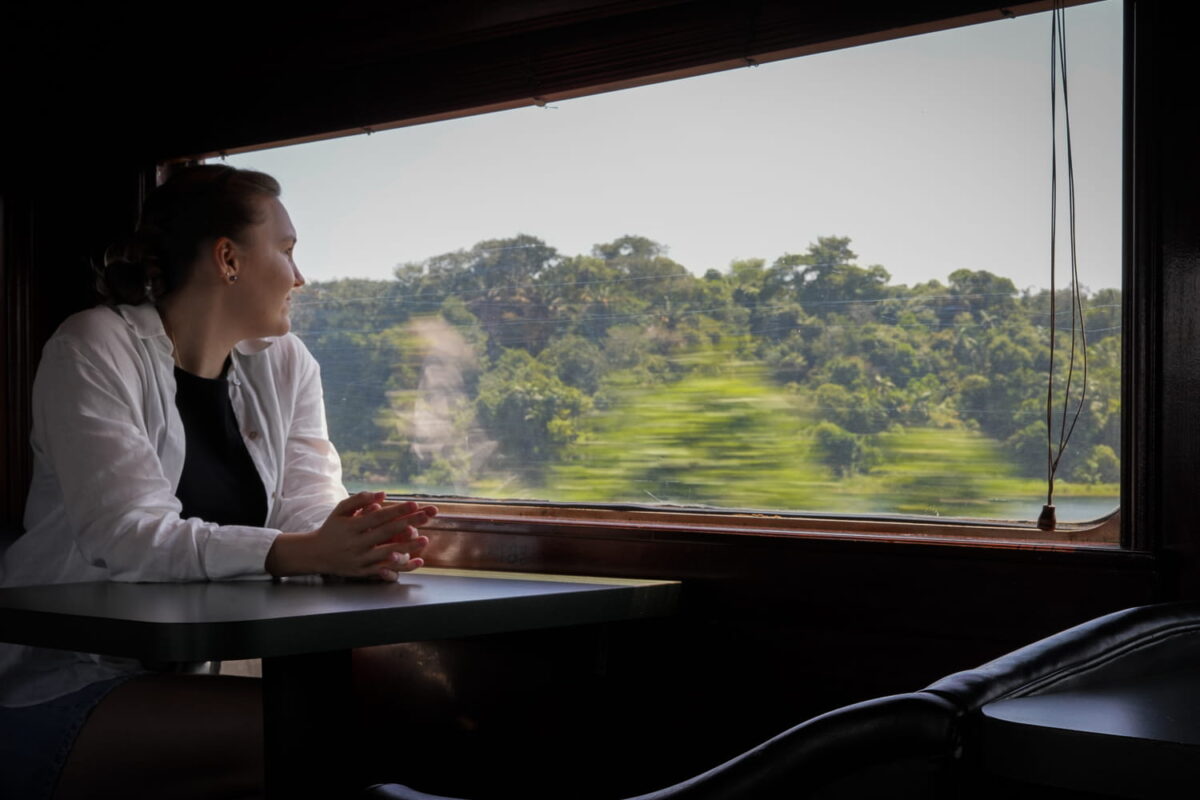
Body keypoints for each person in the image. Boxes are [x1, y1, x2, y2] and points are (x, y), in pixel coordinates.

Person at [0, 164, 437, 799]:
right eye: (287, 251)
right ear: (228, 259)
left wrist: (360, 538)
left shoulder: (286, 362)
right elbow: (127, 534)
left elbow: (309, 505)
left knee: (384, 722)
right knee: (339, 736)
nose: (300, 276)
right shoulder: (92, 346)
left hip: (172, 682)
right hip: (62, 679)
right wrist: (302, 551)